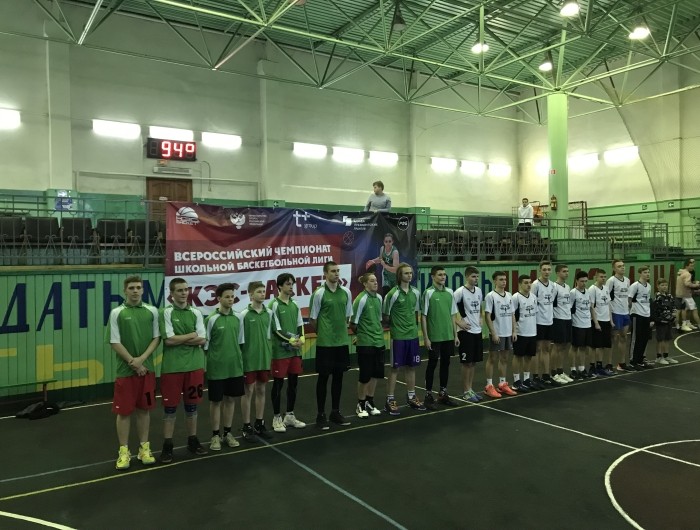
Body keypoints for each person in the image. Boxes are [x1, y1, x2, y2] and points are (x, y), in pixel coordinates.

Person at [108, 275, 160, 470]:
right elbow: (114, 341)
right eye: (131, 288)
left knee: (144, 410)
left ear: (143, 290)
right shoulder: (117, 313)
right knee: (123, 413)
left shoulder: (152, 311)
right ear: (125, 291)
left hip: (147, 370)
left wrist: (141, 360)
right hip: (125, 371)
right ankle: (124, 451)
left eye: (138, 287)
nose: (135, 291)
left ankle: (144, 448)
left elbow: (156, 338)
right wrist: (133, 362)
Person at [159, 277, 208, 463]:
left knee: (192, 407)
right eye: (179, 290)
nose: (184, 293)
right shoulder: (166, 312)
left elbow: (202, 339)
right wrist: (192, 335)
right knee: (170, 408)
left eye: (186, 289)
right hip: (172, 368)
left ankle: (192, 441)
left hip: (195, 366)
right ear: (171, 293)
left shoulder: (196, 312)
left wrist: (182, 338)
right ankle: (167, 445)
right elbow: (169, 340)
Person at [309, 260, 354, 429]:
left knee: (339, 377)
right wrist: (325, 333)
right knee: (323, 378)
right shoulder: (319, 293)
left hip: (341, 342)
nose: (336, 274)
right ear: (325, 274)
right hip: (325, 344)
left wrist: (339, 332)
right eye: (333, 271)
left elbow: (347, 316)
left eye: (338, 271)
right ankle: (320, 415)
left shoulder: (346, 292)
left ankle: (335, 412)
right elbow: (313, 319)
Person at [204, 283, 245, 450]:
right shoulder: (211, 319)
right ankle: (215, 435)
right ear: (219, 298)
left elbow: (240, 341)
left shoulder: (238, 318)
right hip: (216, 369)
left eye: (232, 296)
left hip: (234, 368)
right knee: (216, 402)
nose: (230, 299)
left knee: (230, 400)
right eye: (227, 297)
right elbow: (205, 346)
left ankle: (227, 433)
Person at [383, 263, 425, 415]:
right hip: (398, 337)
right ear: (400, 275)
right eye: (406, 273)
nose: (409, 275)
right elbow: (386, 316)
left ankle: (411, 397)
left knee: (411, 367)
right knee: (395, 368)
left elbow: (416, 312)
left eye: (411, 273)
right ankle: (390, 399)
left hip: (412, 336)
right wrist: (397, 326)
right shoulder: (392, 294)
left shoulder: (416, 292)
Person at [269, 273, 307, 433]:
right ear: (279, 286)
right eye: (287, 284)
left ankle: (289, 415)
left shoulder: (295, 304)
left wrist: (302, 338)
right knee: (278, 384)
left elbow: (300, 324)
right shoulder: (273, 305)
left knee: (293, 383)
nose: (291, 286)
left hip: (295, 351)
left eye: (292, 284)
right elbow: (276, 329)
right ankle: (276, 417)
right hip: (280, 352)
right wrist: (291, 340)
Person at [239, 281, 276, 441]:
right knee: (248, 392)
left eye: (263, 291)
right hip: (249, 360)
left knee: (261, 390)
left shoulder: (269, 313)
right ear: (251, 294)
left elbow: (272, 334)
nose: (262, 294)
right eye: (259, 291)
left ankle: (259, 423)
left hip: (264, 359)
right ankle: (246, 426)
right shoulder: (243, 315)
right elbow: (240, 339)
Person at [421, 265, 461, 409]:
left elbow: (452, 315)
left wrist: (455, 335)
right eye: (439, 274)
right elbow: (423, 316)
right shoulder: (428, 293)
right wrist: (426, 337)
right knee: (432, 364)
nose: (443, 277)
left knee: (446, 363)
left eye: (444, 274)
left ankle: (443, 393)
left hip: (448, 336)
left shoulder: (450, 292)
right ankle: (428, 395)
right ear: (433, 277)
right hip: (434, 337)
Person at [351, 272, 385, 418]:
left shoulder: (379, 298)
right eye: (371, 281)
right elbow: (353, 323)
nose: (375, 283)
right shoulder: (361, 299)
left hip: (379, 342)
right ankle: (361, 404)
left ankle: (370, 402)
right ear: (365, 284)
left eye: (376, 280)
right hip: (365, 343)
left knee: (376, 374)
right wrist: (361, 336)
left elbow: (378, 320)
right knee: (365, 376)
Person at [453, 266, 485, 402]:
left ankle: (471, 389)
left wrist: (481, 317)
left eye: (477, 276)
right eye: (473, 276)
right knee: (466, 363)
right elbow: (449, 310)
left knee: (473, 363)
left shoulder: (479, 290)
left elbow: (480, 305)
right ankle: (466, 391)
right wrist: (459, 322)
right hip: (466, 332)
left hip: (477, 330)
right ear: (466, 277)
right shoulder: (459, 292)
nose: (476, 279)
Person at [532, 261, 559, 387]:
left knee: (547, 348)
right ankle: (535, 376)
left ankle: (546, 375)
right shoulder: (535, 285)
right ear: (540, 270)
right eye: (544, 269)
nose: (547, 272)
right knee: (537, 349)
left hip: (549, 321)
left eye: (549, 269)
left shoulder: (553, 285)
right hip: (538, 321)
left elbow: (552, 302)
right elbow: (532, 302)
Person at [511, 274, 538, 393]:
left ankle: (526, 379)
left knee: (529, 356)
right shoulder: (515, 298)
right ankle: (516, 381)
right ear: (520, 284)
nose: (528, 285)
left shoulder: (533, 297)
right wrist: (514, 331)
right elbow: (512, 315)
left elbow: (535, 313)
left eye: (530, 282)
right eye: (526, 283)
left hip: (532, 332)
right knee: (518, 356)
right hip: (520, 332)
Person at [606, 259, 633, 372]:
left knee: (624, 337)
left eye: (623, 265)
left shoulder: (627, 280)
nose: (622, 267)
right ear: (614, 268)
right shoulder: (611, 281)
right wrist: (610, 314)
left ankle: (621, 363)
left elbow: (627, 296)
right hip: (615, 312)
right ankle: (609, 364)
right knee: (613, 339)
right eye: (619, 266)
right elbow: (607, 297)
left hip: (625, 312)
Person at [589, 269, 614, 377]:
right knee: (595, 346)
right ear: (596, 277)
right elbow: (591, 307)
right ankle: (592, 367)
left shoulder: (606, 288)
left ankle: (599, 366)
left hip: (606, 320)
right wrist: (596, 322)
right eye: (601, 277)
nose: (603, 279)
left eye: (604, 277)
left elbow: (608, 305)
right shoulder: (592, 289)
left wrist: (611, 320)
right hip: (597, 320)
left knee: (603, 345)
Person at [628, 266, 654, 370]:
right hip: (637, 315)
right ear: (640, 273)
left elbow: (647, 301)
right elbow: (629, 299)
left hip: (646, 314)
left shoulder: (649, 286)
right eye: (645, 272)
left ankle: (640, 360)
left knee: (644, 338)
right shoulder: (635, 286)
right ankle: (633, 361)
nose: (647, 274)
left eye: (648, 272)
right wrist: (632, 311)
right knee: (636, 338)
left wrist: (650, 316)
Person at [569, 270, 594, 380]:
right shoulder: (573, 293)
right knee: (574, 347)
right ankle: (573, 369)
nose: (584, 283)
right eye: (582, 281)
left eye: (585, 281)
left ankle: (582, 368)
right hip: (577, 324)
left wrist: (594, 322)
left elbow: (591, 308)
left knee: (584, 347)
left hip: (587, 324)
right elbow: (569, 309)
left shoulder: (588, 292)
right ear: (577, 281)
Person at [551, 264, 574, 384]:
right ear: (558, 273)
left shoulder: (567, 286)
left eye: (567, 271)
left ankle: (560, 371)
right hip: (558, 319)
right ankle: (553, 372)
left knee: (564, 346)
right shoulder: (554, 287)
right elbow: (551, 304)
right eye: (564, 271)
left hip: (567, 318)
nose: (566, 273)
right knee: (557, 346)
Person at [651, 278, 677, 365]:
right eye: (662, 285)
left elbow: (673, 306)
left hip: (669, 321)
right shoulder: (657, 297)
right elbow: (655, 310)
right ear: (657, 286)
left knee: (667, 338)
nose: (664, 287)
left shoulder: (669, 296)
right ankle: (659, 357)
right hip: (661, 322)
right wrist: (656, 319)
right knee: (660, 339)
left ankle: (666, 356)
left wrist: (674, 315)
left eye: (666, 285)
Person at [676, 258, 700, 332]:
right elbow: (687, 284)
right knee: (694, 310)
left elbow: (684, 283)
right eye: (691, 266)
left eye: (693, 265)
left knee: (687, 309)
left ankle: (687, 323)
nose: (693, 267)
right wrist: (696, 285)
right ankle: (696, 324)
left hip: (681, 294)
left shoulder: (680, 272)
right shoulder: (687, 274)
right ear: (687, 266)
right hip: (686, 295)